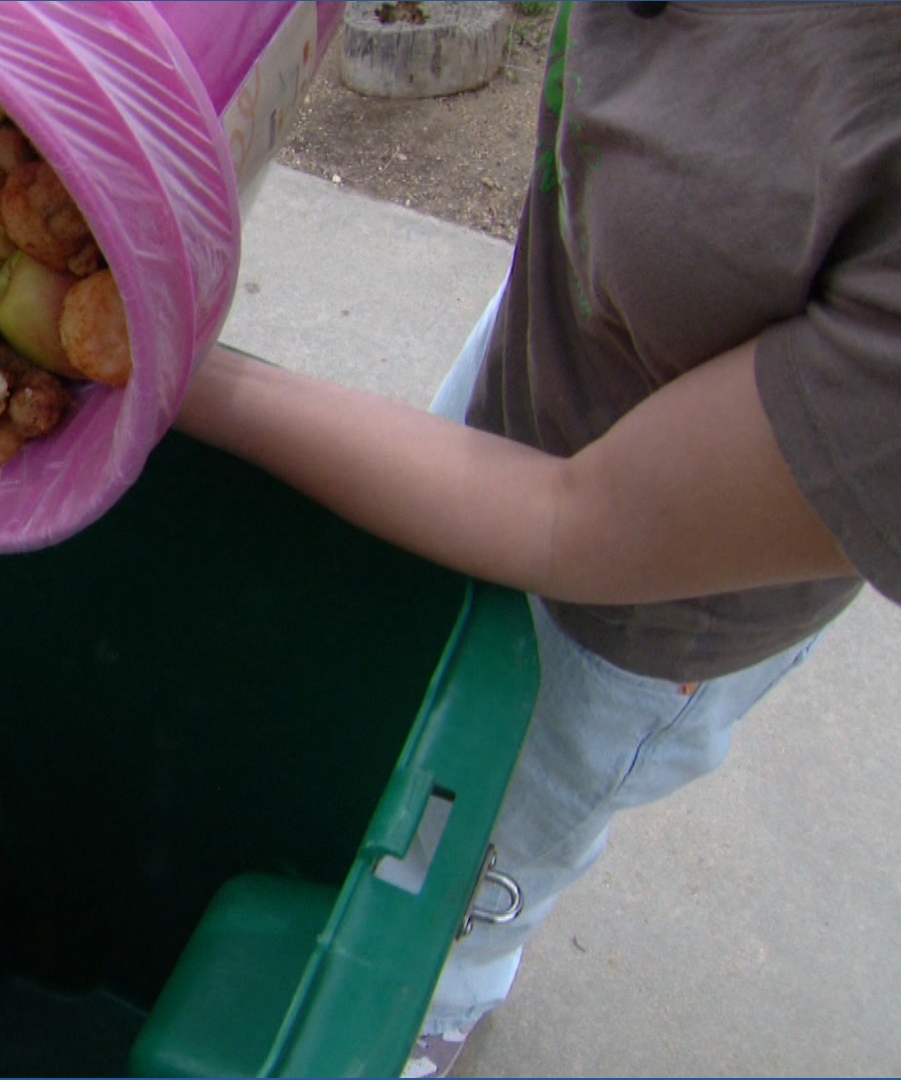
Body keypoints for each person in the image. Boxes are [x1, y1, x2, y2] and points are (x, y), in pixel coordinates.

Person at [176, 3, 901, 1075]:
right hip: (557, 343)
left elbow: (575, 517)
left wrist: (182, 372)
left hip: (642, 612)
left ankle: (439, 1002)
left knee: (478, 836)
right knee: (396, 668)